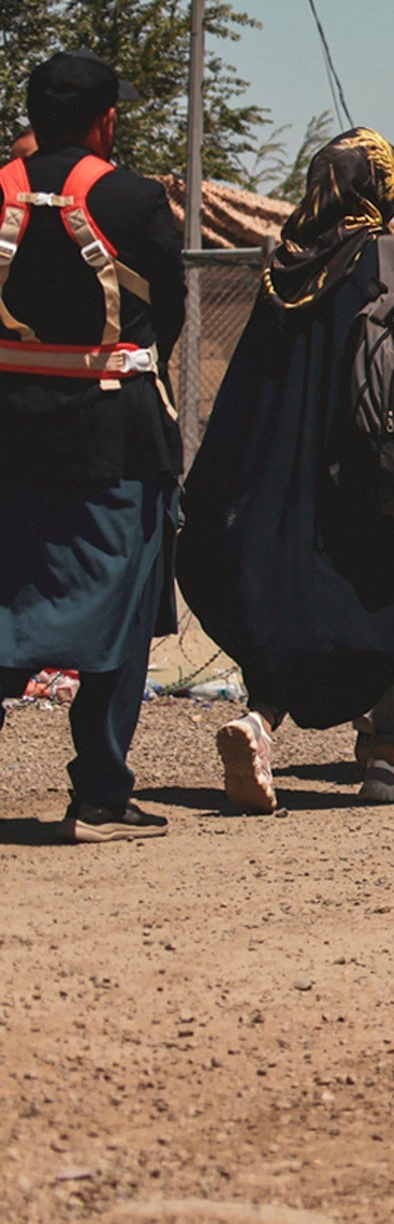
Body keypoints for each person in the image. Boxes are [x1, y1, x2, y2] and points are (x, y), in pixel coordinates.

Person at [180, 130, 394, 808]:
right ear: (378, 186)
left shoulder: (287, 265)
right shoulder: (386, 255)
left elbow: (253, 379)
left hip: (284, 475)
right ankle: (385, 761)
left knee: (295, 603)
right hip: (369, 468)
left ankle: (260, 722)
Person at [0, 52, 183, 841]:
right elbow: (168, 310)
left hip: (10, 429)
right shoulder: (137, 200)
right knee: (119, 601)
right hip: (112, 434)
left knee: (10, 594)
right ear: (107, 120)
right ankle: (100, 790)